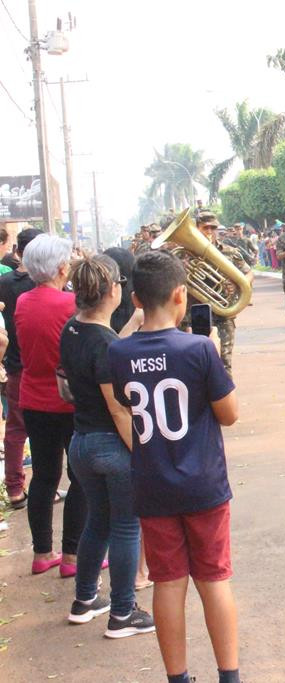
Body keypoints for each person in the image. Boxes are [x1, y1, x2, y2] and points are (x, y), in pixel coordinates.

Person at [108, 250, 242, 683]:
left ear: (135, 299)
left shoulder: (119, 353)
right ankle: (229, 676)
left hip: (153, 485)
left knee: (168, 583)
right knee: (214, 579)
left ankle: (178, 678)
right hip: (203, 484)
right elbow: (229, 414)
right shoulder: (200, 347)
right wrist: (216, 358)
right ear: (181, 295)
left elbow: (128, 405)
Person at [60, 254, 155, 637]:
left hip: (81, 442)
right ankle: (122, 612)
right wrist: (141, 453)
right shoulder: (105, 345)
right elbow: (119, 411)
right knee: (126, 528)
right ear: (113, 290)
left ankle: (85, 599)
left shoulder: (74, 328)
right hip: (109, 446)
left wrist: (132, 325)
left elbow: (79, 375)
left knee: (97, 521)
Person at [15, 234, 85, 575]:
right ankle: (72, 557)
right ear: (61, 268)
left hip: (33, 399)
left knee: (43, 476)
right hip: (69, 402)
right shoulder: (70, 305)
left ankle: (42, 553)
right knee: (80, 478)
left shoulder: (23, 302)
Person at [0, 228, 42, 510]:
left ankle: (14, 488)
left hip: (14, 365)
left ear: (17, 249)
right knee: (43, 428)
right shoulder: (42, 284)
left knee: (16, 429)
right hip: (42, 367)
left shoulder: (3, 282)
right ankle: (45, 486)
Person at [194, 211, 253, 376]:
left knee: (225, 362)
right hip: (196, 314)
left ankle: (225, 398)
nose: (210, 232)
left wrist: (238, 283)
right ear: (197, 228)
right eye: (206, 228)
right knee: (198, 364)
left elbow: (248, 273)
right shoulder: (186, 253)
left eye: (214, 228)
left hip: (223, 313)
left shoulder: (230, 251)